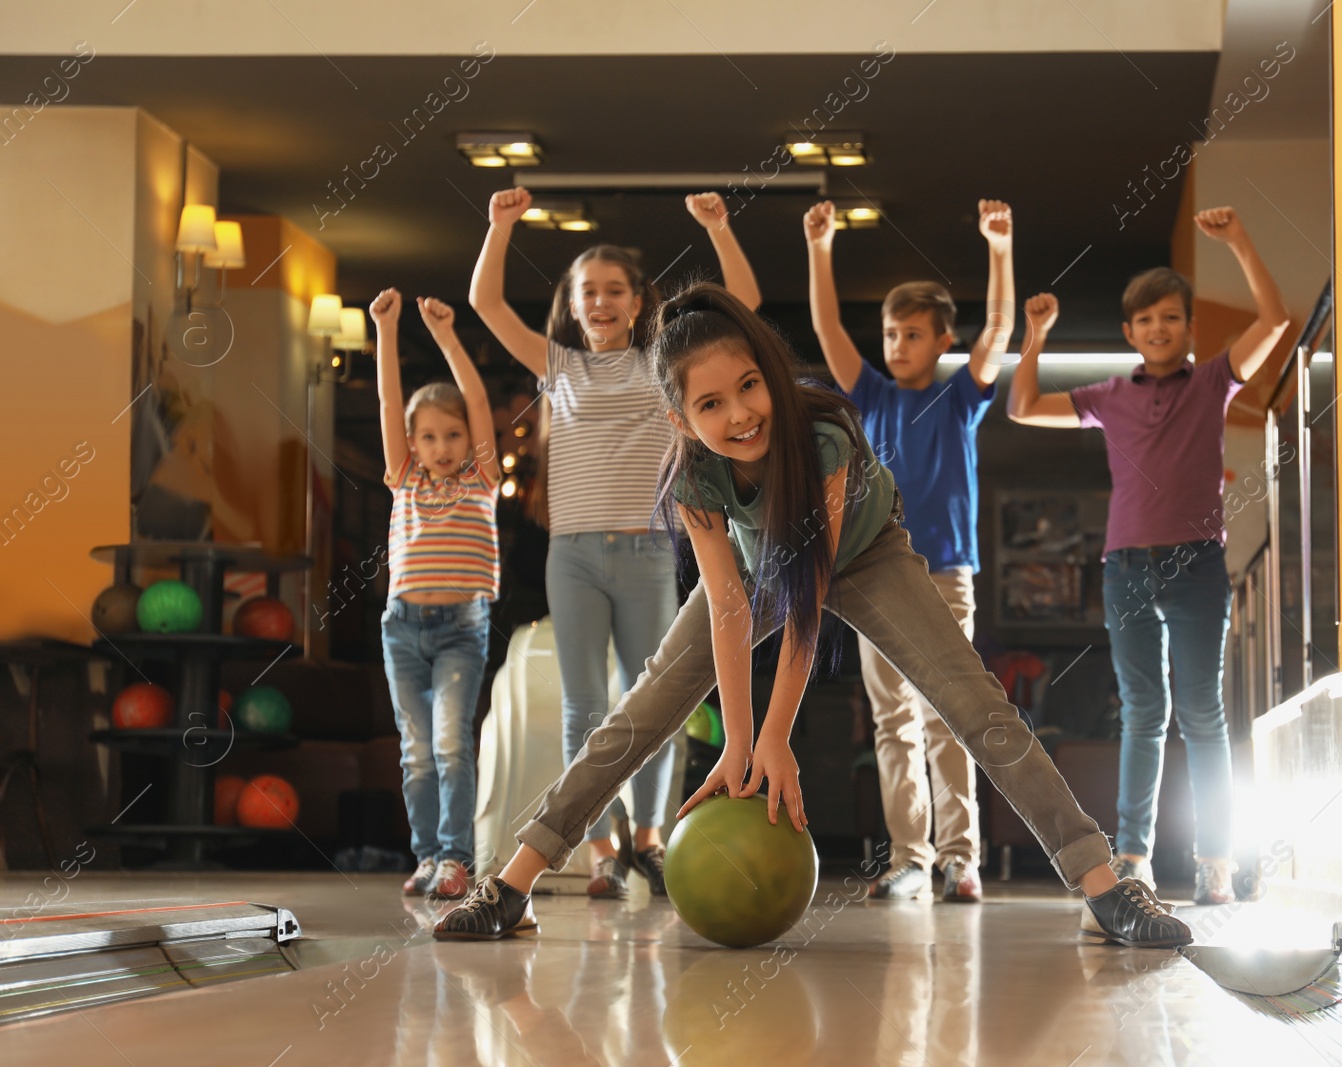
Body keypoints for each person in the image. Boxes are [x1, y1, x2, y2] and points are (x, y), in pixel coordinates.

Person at [433, 282, 1193, 949]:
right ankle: (512, 884)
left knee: (975, 704)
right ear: (678, 418)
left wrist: (775, 737)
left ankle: (1102, 885)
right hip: (761, 566)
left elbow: (809, 593)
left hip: (865, 556)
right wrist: (738, 741)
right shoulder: (694, 477)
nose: (738, 414)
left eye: (749, 386)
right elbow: (731, 604)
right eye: (709, 404)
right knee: (642, 710)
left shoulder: (822, 438)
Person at [468, 187, 761, 899]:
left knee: (657, 701)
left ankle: (651, 840)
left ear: (637, 302)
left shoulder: (663, 361)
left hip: (649, 552)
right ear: (573, 305)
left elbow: (742, 302)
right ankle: (600, 848)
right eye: (587, 292)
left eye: (614, 291)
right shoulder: (557, 367)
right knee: (584, 708)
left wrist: (718, 229)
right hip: (571, 556)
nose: (600, 302)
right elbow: (485, 302)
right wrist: (499, 227)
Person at [1006, 206, 1291, 907]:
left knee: (1203, 713)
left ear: (1189, 329)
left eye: (1171, 318)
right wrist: (1035, 337)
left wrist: (1238, 240)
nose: (1158, 329)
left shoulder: (1213, 381)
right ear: (1128, 333)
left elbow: (1277, 321)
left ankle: (1214, 860)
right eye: (1145, 320)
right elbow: (1021, 406)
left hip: (1196, 565)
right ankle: (1133, 856)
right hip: (1126, 565)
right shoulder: (1108, 396)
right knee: (1142, 712)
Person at [802, 197, 1015, 903]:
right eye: (891, 333)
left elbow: (1001, 330)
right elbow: (828, 328)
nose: (897, 344)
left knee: (945, 715)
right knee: (892, 722)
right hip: (871, 576)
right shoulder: (869, 394)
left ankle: (961, 857)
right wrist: (821, 248)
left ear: (941, 339)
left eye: (912, 334)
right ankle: (909, 859)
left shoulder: (960, 400)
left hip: (945, 574)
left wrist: (999, 248)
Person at [371, 289, 502, 900]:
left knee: (452, 744)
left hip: (460, 627)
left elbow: (475, 398)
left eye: (452, 435)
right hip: (402, 626)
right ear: (412, 443)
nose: (442, 447)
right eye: (428, 437)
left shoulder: (480, 477)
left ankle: (456, 859)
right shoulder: (406, 479)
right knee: (416, 752)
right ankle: (426, 856)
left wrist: (447, 336)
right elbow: (387, 398)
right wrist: (387, 330)